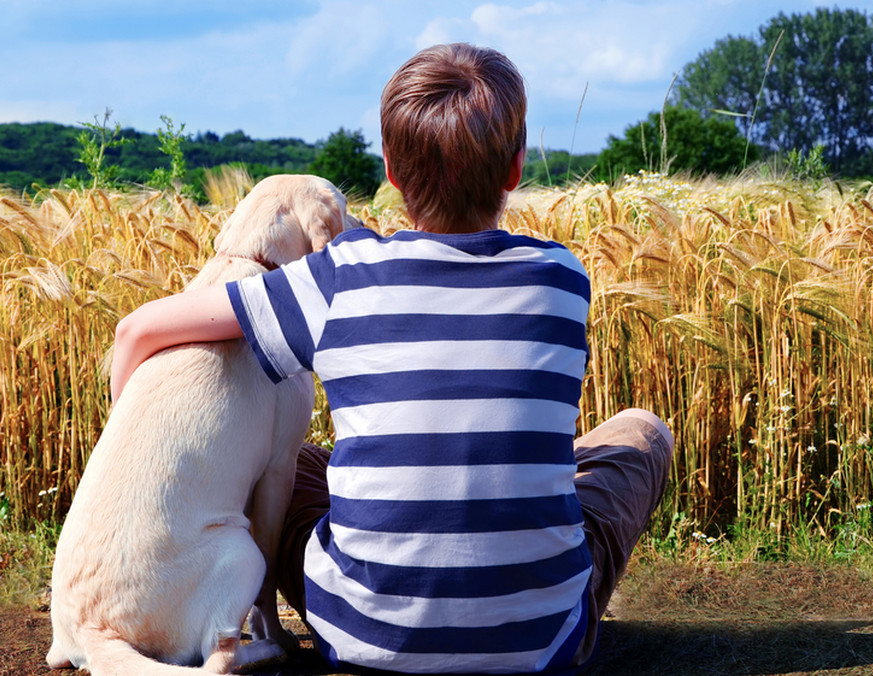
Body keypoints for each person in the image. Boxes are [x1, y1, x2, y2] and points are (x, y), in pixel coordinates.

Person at [110, 43, 672, 675]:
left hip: (361, 633)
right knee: (641, 432)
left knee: (286, 459)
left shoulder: (342, 276)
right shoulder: (563, 277)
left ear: (391, 172)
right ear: (515, 170)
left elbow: (137, 332)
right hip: (541, 640)